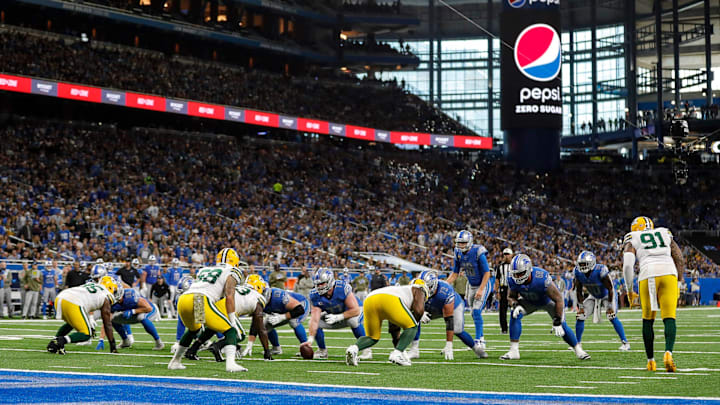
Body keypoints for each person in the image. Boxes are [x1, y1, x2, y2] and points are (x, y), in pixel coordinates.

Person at [622, 216, 685, 372]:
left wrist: (629, 290)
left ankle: (651, 361)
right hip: (669, 273)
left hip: (648, 274)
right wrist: (679, 282)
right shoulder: (664, 232)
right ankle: (668, 353)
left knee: (648, 319)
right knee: (669, 317)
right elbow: (679, 258)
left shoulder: (633, 237)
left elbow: (628, 266)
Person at [168, 247, 245, 372]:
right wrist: (232, 320)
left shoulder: (206, 269)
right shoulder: (233, 270)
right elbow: (229, 295)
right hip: (201, 299)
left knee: (194, 330)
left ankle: (175, 361)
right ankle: (231, 364)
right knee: (230, 330)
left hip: (184, 298)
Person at [500, 254, 590, 361]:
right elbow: (510, 297)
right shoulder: (511, 278)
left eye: (521, 274)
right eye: (516, 274)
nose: (518, 277)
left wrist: (557, 320)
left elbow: (558, 299)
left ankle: (578, 350)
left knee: (562, 326)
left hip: (548, 302)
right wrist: (515, 305)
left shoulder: (540, 277)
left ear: (528, 269)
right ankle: (514, 351)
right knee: (514, 314)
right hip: (529, 302)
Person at [184, 277, 272, 362]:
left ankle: (192, 350)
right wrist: (267, 351)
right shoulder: (258, 298)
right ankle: (217, 346)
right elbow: (261, 328)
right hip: (227, 306)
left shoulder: (239, 287)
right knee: (239, 335)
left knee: (213, 327)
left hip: (212, 303)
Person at [345, 279, 429, 367]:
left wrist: (400, 347)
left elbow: (394, 327)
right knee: (412, 326)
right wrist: (418, 318)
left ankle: (353, 349)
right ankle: (397, 354)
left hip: (370, 299)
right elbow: (419, 311)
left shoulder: (402, 291)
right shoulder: (420, 289)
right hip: (389, 299)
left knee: (372, 337)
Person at [408, 270, 487, 360]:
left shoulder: (445, 292)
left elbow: (449, 320)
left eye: (428, 287)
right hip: (431, 306)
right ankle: (414, 350)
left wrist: (449, 345)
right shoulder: (416, 285)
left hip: (454, 306)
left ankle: (476, 348)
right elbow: (408, 305)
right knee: (414, 318)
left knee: (457, 330)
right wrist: (419, 313)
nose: (425, 290)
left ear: (433, 285)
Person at [304, 268, 370, 360]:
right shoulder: (315, 294)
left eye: (322, 283)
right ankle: (322, 351)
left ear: (330, 281)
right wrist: (310, 339)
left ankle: (366, 350)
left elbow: (355, 310)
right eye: (318, 284)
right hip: (334, 315)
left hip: (354, 312)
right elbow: (314, 319)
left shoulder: (342, 288)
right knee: (315, 323)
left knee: (353, 321)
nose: (319, 286)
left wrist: (339, 317)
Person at [47, 276, 121, 354]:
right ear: (110, 287)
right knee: (86, 334)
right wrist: (112, 345)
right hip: (73, 301)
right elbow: (107, 323)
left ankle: (53, 342)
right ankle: (61, 340)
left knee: (72, 323)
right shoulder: (106, 295)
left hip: (61, 297)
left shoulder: (92, 285)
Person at [573, 251, 630, 352]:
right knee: (580, 316)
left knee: (611, 315)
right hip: (593, 295)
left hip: (607, 295)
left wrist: (609, 306)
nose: (582, 266)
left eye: (584, 264)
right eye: (580, 264)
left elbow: (610, 288)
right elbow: (578, 290)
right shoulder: (578, 272)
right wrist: (581, 307)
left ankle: (625, 343)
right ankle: (577, 344)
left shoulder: (600, 270)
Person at [446, 230, 492, 349]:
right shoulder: (457, 252)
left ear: (470, 242)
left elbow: (487, 273)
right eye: (459, 243)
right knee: (473, 312)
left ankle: (479, 340)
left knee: (476, 311)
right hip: (470, 285)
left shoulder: (478, 251)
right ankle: (480, 337)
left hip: (483, 284)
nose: (461, 245)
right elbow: (455, 273)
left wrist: (481, 290)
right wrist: (444, 283)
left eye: (463, 243)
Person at [242, 281, 310, 356]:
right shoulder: (259, 301)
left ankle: (306, 346)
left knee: (293, 321)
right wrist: (250, 343)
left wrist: (282, 317)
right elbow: (255, 323)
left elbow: (299, 310)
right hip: (284, 310)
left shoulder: (277, 296)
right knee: (267, 324)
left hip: (301, 304)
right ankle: (276, 348)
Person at [96, 284, 164, 351]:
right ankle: (125, 341)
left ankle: (159, 342)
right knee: (113, 319)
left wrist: (133, 311)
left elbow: (149, 308)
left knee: (142, 317)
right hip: (133, 315)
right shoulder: (111, 303)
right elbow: (107, 321)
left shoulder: (130, 295)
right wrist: (101, 339)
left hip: (148, 311)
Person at [494, 248, 512, 334]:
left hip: (513, 289)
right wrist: (496, 291)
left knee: (515, 309)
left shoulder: (515, 265)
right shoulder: (500, 266)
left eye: (508, 254)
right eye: (505, 254)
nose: (506, 256)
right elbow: (497, 279)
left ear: (511, 255)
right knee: (502, 310)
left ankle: (514, 327)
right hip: (503, 289)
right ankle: (504, 329)